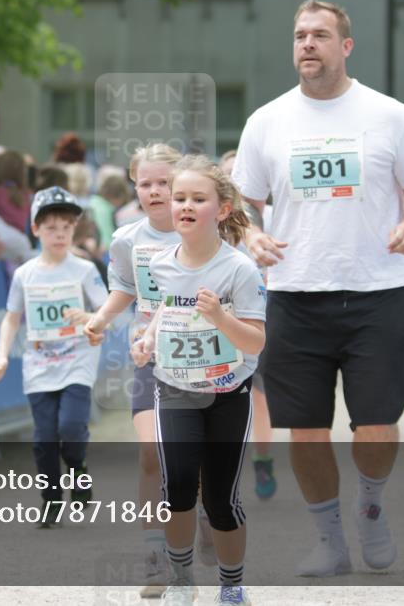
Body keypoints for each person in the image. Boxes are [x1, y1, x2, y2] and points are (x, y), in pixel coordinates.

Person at [232, 0, 404, 576]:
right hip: (296, 295)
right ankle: (329, 540)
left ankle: (370, 509)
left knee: (376, 422)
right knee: (307, 429)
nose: (307, 45)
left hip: (377, 291)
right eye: (299, 35)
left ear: (345, 46)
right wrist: (250, 235)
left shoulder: (389, 114)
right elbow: (239, 203)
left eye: (319, 35)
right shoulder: (267, 121)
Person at [130, 155, 265, 606]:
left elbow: (256, 341)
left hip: (228, 392)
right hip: (176, 390)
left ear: (222, 210)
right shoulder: (161, 264)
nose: (184, 205)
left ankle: (231, 585)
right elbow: (164, 310)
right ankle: (181, 578)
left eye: (197, 198)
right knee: (180, 484)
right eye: (179, 197)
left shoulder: (240, 269)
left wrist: (220, 316)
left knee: (222, 499)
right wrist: (147, 340)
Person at [83, 144, 193, 597]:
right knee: (152, 453)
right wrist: (101, 318)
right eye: (144, 184)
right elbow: (124, 290)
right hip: (149, 356)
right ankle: (155, 556)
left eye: (163, 183)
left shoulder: (203, 231)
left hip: (197, 358)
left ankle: (200, 522)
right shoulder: (128, 238)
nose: (154, 191)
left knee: (191, 463)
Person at [0, 187, 107, 526]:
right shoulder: (25, 274)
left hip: (77, 361)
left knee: (70, 427)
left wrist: (92, 321)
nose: (60, 234)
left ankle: (78, 469)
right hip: (39, 364)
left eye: (66, 227)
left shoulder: (84, 269)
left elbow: (107, 310)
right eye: (51, 227)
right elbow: (12, 317)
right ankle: (51, 498)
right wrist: (2, 357)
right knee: (44, 439)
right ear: (35, 230)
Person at [218, 150, 277, 500]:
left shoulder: (271, 216)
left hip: (263, 316)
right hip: (220, 319)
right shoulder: (212, 221)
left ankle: (263, 458)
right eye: (229, 176)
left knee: (258, 395)